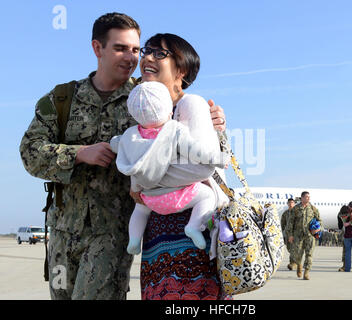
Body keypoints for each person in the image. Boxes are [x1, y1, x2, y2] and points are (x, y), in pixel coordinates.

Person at [19, 13, 226, 300]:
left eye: (135, 49)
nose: (132, 58)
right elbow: (30, 152)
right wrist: (79, 154)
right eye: (120, 48)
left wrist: (215, 121)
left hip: (115, 233)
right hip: (65, 231)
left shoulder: (151, 99)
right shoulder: (63, 98)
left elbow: (190, 121)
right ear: (97, 48)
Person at [135, 33, 231, 300]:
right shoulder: (146, 111)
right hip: (158, 235)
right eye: (147, 51)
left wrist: (144, 182)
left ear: (182, 70)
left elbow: (202, 166)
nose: (148, 58)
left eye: (159, 53)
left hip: (191, 234)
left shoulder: (190, 104)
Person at [110, 81, 227, 253]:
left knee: (140, 210)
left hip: (148, 198)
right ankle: (193, 226)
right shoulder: (174, 130)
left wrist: (111, 143)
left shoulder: (130, 135)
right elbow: (196, 151)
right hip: (175, 199)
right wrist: (218, 158)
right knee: (207, 196)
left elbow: (115, 143)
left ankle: (134, 240)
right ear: (170, 110)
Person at [286, 191, 322, 280]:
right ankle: (299, 265)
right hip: (298, 236)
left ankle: (306, 272)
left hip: (310, 236)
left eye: (309, 197)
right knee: (297, 253)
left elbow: (319, 221)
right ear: (301, 198)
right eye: (306, 197)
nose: (308, 198)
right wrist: (290, 235)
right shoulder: (296, 209)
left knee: (309, 254)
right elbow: (290, 222)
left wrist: (317, 229)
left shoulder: (313, 209)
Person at [280, 198, 296, 270]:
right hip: (288, 234)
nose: (290, 204)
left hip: (295, 234)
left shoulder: (297, 213)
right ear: (287, 204)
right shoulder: (285, 213)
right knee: (289, 249)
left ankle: (292, 263)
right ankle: (295, 262)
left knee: (293, 249)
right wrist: (280, 233)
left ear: (294, 204)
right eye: (289, 202)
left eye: (292, 202)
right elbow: (282, 224)